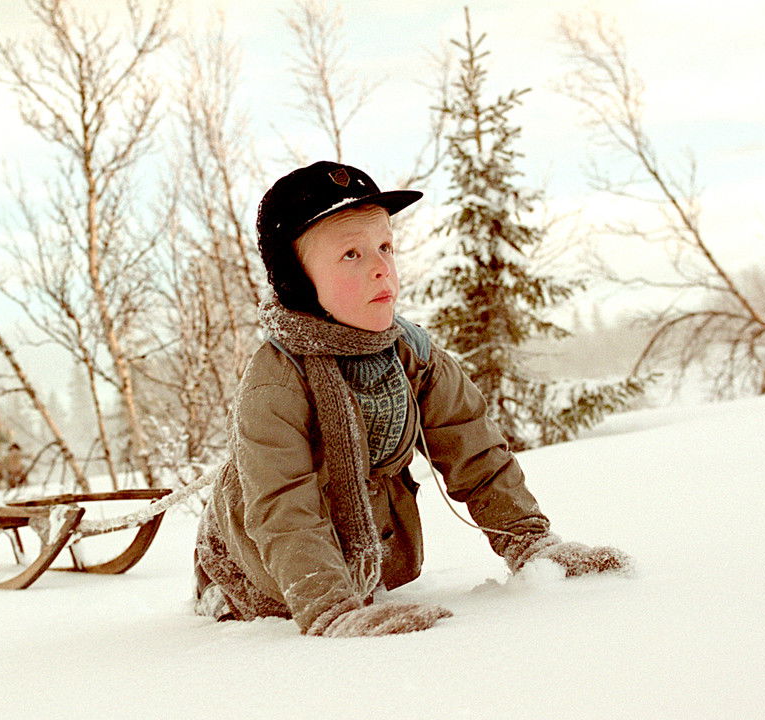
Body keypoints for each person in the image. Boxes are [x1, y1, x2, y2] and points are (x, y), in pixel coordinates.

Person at [193, 161, 631, 638]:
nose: (382, 268)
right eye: (351, 255)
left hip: (362, 568)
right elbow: (283, 507)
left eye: (384, 247)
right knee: (256, 594)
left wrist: (530, 545)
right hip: (260, 576)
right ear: (297, 281)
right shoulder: (275, 383)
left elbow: (477, 455)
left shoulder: (413, 356)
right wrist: (332, 611)